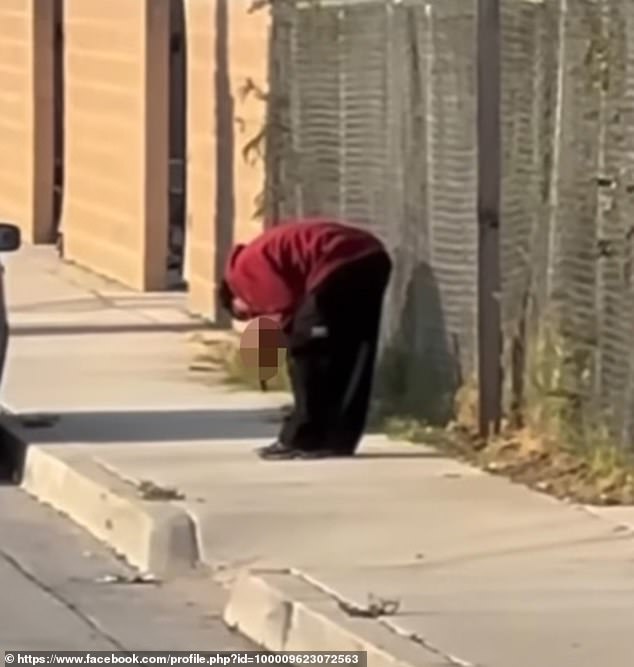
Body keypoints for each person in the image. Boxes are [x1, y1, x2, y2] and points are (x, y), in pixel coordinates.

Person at [219, 218, 392, 460]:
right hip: (370, 257)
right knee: (350, 355)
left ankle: (303, 438)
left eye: (248, 313)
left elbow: (284, 305)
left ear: (235, 296)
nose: (255, 315)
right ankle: (337, 439)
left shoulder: (243, 274)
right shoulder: (259, 255)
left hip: (339, 263)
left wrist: (282, 347)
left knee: (307, 352)